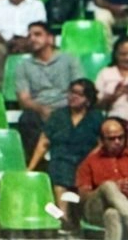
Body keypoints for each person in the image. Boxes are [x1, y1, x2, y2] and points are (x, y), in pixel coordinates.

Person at [27, 78, 105, 224]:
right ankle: (63, 217)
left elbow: (101, 145)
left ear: (88, 99)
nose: (72, 97)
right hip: (61, 160)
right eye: (71, 92)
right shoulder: (58, 116)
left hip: (85, 160)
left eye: (78, 94)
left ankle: (79, 218)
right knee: (60, 166)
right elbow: (44, 142)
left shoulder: (96, 117)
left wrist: (89, 162)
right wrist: (31, 167)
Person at [15, 21, 86, 157]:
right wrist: (41, 109)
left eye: (37, 34)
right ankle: (38, 166)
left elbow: (81, 88)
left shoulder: (69, 59)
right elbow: (24, 99)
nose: (32, 39)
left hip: (67, 107)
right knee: (26, 118)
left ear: (50, 39)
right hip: (40, 111)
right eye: (29, 36)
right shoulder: (23, 66)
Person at [75, 117, 128, 240]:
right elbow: (83, 197)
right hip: (95, 210)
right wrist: (114, 189)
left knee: (112, 214)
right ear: (101, 141)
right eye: (111, 139)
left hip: (116, 211)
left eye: (120, 137)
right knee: (108, 186)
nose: (117, 142)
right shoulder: (90, 162)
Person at [97, 36, 128, 120]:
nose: (126, 58)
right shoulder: (106, 73)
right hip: (112, 121)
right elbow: (97, 105)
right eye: (122, 54)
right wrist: (114, 95)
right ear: (115, 54)